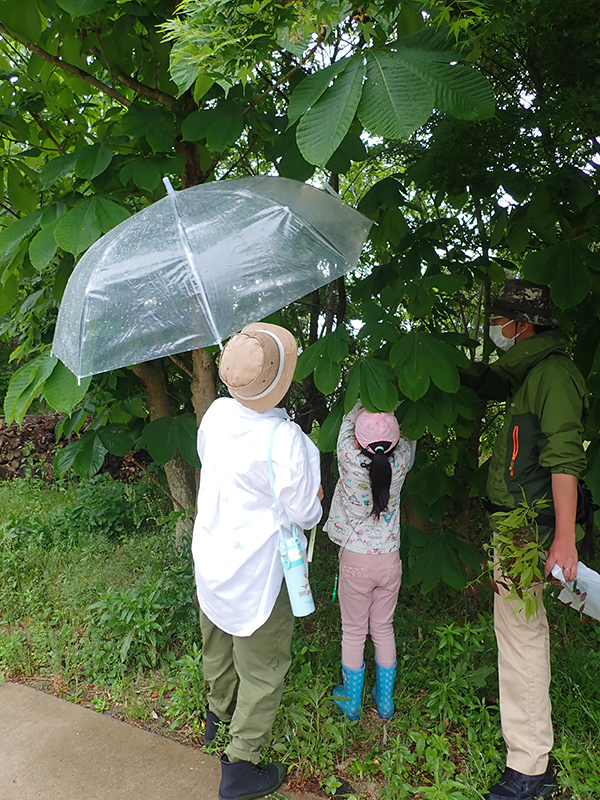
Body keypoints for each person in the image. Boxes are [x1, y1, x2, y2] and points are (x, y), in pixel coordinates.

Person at [465, 280, 588, 800]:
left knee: (521, 640)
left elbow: (565, 457)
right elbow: (486, 381)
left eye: (500, 321)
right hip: (516, 524)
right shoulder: (530, 372)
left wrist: (563, 538)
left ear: (523, 325)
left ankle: (530, 767)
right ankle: (531, 755)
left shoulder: (553, 375)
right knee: (519, 634)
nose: (497, 331)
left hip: (527, 529)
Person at [191, 322, 323, 800]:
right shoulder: (284, 440)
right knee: (263, 665)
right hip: (257, 571)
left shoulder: (217, 415)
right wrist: (316, 494)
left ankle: (218, 712)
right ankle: (242, 764)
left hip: (211, 555)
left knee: (218, 639)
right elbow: (305, 511)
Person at [324, 401, 413, 720]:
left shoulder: (349, 459)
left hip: (355, 560)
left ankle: (352, 701)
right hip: (389, 560)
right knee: (383, 627)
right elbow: (407, 438)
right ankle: (385, 702)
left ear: (358, 439)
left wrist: (365, 398)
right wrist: (390, 401)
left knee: (353, 631)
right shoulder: (401, 462)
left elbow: (346, 429)